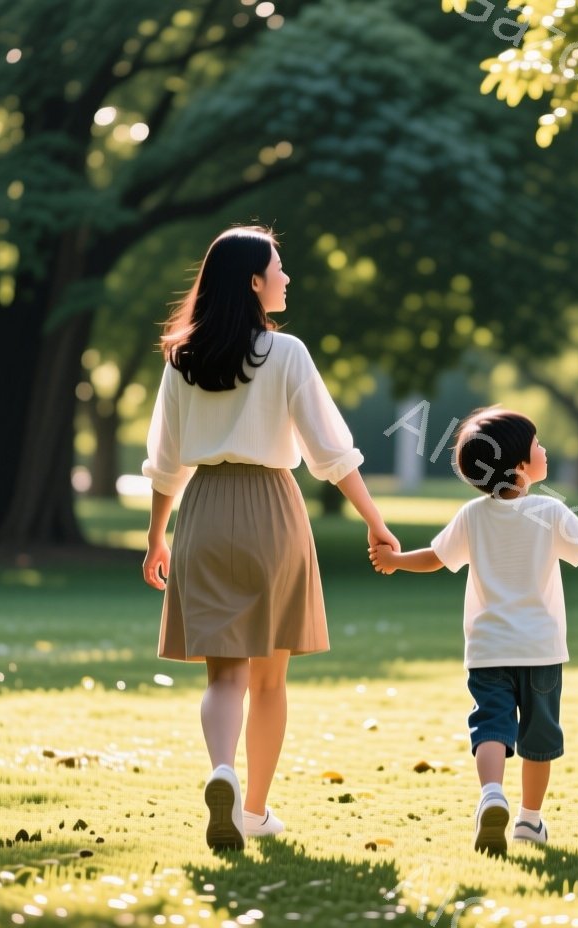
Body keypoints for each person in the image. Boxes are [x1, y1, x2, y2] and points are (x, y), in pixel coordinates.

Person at [140, 225, 400, 852]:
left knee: (223, 676)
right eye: (278, 267)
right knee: (269, 681)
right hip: (273, 513)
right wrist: (375, 521)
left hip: (203, 512)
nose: (287, 277)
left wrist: (155, 538)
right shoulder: (287, 353)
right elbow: (332, 454)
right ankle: (253, 809)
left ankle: (221, 771)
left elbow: (166, 463)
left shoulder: (182, 358)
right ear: (255, 281)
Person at [369, 408, 578, 854]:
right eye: (537, 444)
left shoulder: (472, 515)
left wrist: (395, 560)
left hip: (488, 650)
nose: (544, 449)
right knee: (538, 740)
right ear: (521, 465)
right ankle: (529, 820)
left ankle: (491, 795)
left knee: (490, 727)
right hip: (540, 650)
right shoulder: (550, 511)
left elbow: (434, 558)